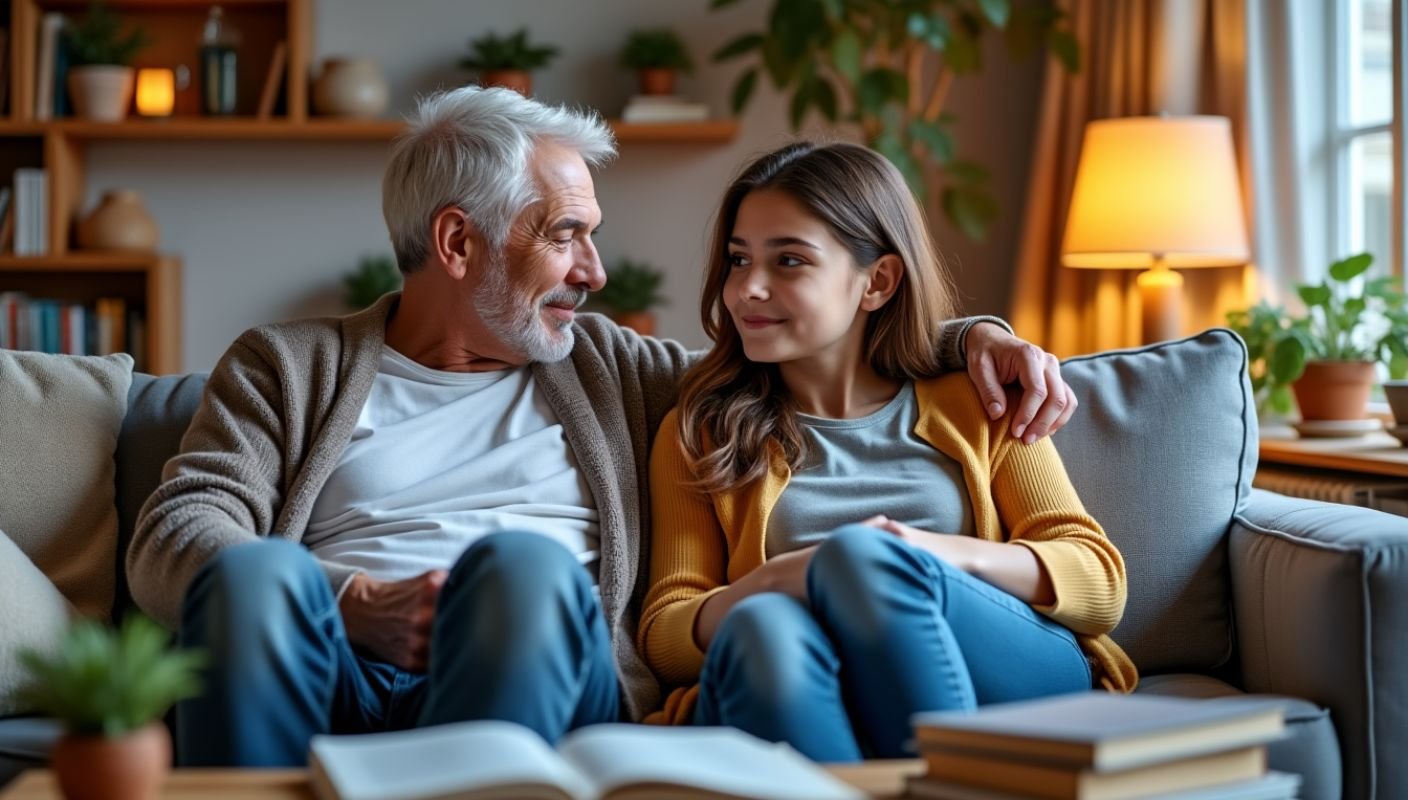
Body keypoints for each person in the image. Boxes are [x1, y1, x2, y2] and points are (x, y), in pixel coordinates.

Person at [128, 88, 1080, 767]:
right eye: (563, 234)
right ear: (458, 244)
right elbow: (177, 537)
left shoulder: (616, 367)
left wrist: (973, 339)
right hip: (338, 669)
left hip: (540, 667)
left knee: (522, 567)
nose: (593, 271)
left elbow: (810, 341)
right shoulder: (290, 365)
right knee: (252, 570)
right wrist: (355, 599)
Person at [639, 141, 1138, 762]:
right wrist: (783, 579)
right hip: (802, 673)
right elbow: (666, 633)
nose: (748, 290)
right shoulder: (703, 431)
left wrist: (923, 556)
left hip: (1003, 665)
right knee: (762, 625)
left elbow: (1097, 579)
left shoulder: (977, 404)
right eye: (739, 261)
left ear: (877, 281)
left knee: (864, 560)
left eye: (789, 260)